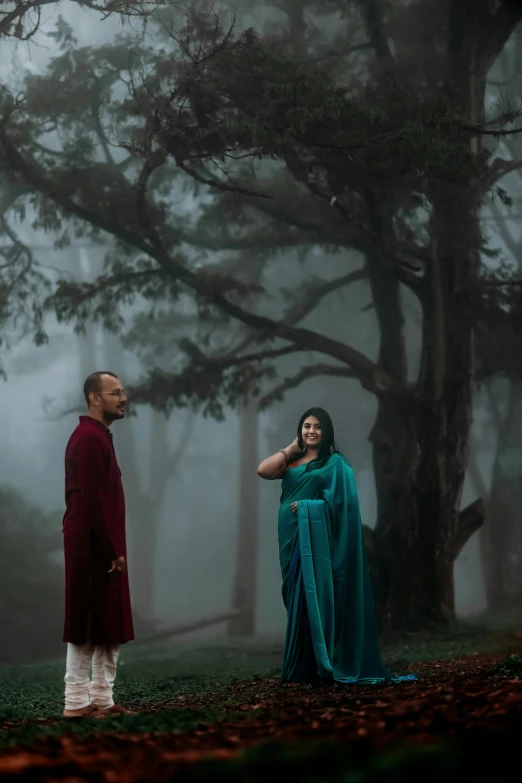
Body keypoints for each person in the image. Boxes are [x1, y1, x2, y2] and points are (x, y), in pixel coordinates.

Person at [257, 407, 416, 685]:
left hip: (318, 543)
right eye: (306, 426)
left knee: (315, 597)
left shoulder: (336, 464)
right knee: (297, 600)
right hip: (291, 540)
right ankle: (305, 666)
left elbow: (344, 508)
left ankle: (326, 661)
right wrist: (291, 447)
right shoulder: (293, 462)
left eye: (317, 426)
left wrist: (311, 508)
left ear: (327, 431)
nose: (311, 431)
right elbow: (263, 470)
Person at [62, 371, 135, 718]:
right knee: (86, 622)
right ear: (94, 398)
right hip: (91, 546)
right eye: (115, 393)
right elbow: (92, 502)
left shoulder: (99, 436)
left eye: (123, 393)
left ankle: (103, 699)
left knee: (108, 622)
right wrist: (110, 552)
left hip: (103, 543)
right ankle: (76, 702)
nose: (123, 399)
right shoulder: (89, 439)